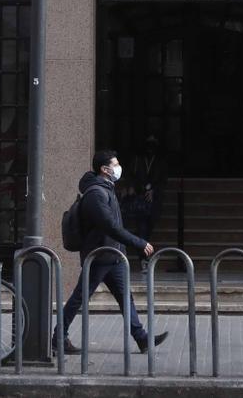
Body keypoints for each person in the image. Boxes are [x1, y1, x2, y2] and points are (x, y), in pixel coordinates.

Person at [54, 150, 169, 355]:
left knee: (126, 298)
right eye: (115, 164)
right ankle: (58, 338)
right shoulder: (96, 194)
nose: (118, 167)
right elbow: (110, 226)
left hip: (113, 255)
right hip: (99, 256)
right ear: (104, 169)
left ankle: (142, 338)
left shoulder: (106, 188)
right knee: (79, 298)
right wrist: (138, 242)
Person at [122, 134, 168, 243]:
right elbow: (130, 175)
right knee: (141, 224)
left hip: (154, 198)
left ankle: (144, 248)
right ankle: (143, 253)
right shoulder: (138, 159)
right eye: (148, 144)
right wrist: (131, 187)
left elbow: (163, 180)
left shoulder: (160, 161)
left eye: (153, 144)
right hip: (140, 195)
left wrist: (154, 191)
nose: (150, 148)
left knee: (150, 223)